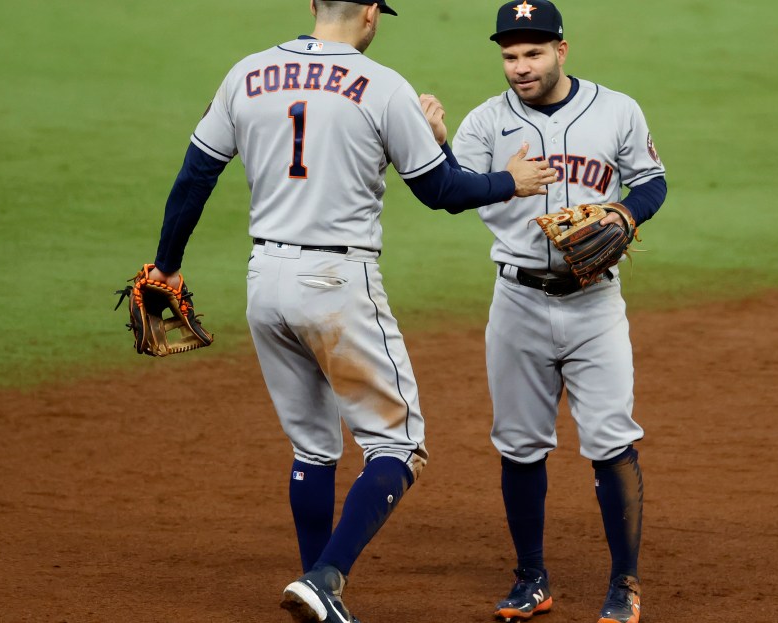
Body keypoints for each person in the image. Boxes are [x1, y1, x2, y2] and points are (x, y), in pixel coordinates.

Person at [142, 1, 557, 622]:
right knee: (400, 443)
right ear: (369, 12)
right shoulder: (382, 86)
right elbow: (442, 191)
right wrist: (510, 181)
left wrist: (166, 264)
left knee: (312, 447)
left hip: (265, 281)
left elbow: (194, 177)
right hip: (336, 282)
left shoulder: (247, 74)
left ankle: (316, 592)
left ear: (314, 5)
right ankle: (326, 580)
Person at [431, 1, 668, 622]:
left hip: (595, 304)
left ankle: (625, 584)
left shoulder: (617, 108)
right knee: (519, 445)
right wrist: (438, 149)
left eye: (533, 53)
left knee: (612, 441)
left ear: (562, 50)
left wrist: (623, 213)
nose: (520, 66)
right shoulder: (484, 123)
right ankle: (531, 578)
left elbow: (652, 180)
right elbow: (451, 193)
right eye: (510, 55)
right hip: (516, 301)